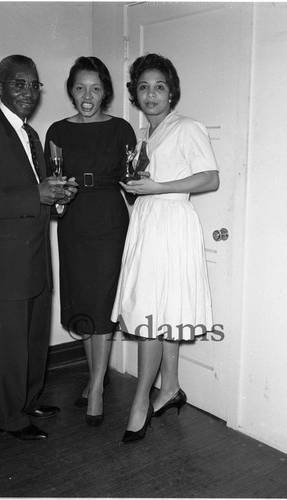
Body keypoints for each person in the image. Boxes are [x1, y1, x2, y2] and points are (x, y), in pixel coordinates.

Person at [0, 55, 77, 441]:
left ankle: (27, 400)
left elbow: (34, 196)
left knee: (33, 339)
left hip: (36, 258)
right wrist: (35, 193)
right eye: (18, 84)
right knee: (7, 347)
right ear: (0, 88)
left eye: (33, 85)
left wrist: (56, 198)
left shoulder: (33, 135)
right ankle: (8, 417)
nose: (28, 92)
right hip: (3, 264)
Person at [111, 53, 220, 443]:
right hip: (147, 221)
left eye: (159, 86)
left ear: (171, 92)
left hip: (171, 223)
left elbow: (209, 179)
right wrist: (137, 190)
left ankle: (140, 402)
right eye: (143, 87)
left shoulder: (187, 127)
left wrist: (156, 188)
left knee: (151, 317)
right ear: (134, 94)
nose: (151, 94)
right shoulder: (143, 134)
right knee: (161, 309)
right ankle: (169, 387)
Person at [45, 56, 136, 426]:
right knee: (83, 299)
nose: (88, 95)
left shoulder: (122, 129)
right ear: (70, 90)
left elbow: (133, 182)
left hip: (110, 220)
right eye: (80, 87)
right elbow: (49, 184)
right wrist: (59, 202)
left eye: (96, 88)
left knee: (102, 301)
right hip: (74, 221)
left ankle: (97, 384)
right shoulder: (56, 131)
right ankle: (95, 376)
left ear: (106, 92)